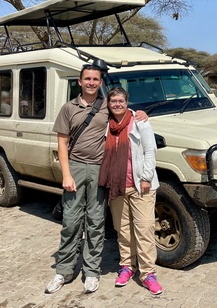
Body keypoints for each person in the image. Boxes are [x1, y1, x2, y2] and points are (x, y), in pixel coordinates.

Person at [45, 65, 147, 294]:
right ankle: (63, 270)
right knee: (71, 220)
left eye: (95, 79)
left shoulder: (106, 106)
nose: (91, 82)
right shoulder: (68, 108)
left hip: (101, 169)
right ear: (80, 82)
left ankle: (91, 272)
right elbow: (62, 143)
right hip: (76, 168)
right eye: (87, 79)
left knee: (96, 221)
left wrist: (141, 113)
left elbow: (124, 112)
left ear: (100, 82)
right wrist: (66, 174)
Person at [98, 87, 163, 295]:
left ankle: (148, 273)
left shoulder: (139, 121)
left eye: (121, 101)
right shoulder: (106, 125)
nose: (117, 104)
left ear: (127, 102)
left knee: (144, 230)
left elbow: (150, 150)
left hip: (140, 186)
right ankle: (127, 266)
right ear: (108, 104)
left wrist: (145, 177)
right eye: (113, 101)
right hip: (116, 185)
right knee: (123, 230)